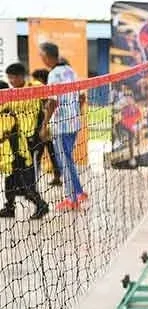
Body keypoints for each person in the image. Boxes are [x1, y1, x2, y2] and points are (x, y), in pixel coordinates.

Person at [38, 43, 86, 210]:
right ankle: (79, 192)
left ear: (46, 56)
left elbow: (52, 102)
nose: (40, 58)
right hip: (73, 122)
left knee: (64, 162)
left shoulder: (53, 74)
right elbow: (82, 97)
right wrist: (75, 112)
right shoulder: (70, 71)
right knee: (68, 159)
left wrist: (44, 125)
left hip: (61, 125)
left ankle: (71, 199)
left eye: (41, 55)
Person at [0, 81, 49, 220]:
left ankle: (41, 205)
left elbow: (6, 134)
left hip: (18, 154)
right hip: (9, 155)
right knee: (10, 182)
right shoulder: (6, 108)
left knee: (25, 184)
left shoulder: (8, 113)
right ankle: (9, 207)